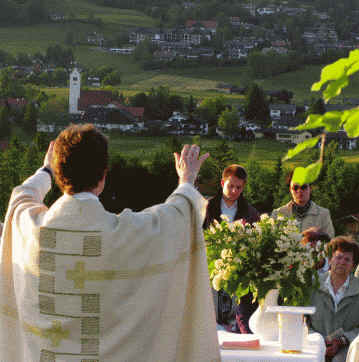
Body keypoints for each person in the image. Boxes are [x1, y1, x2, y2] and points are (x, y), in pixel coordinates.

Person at [0, 124, 221, 362]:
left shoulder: (31, 230)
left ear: (59, 170)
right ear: (104, 175)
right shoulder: (127, 234)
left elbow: (22, 197)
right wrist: (186, 180)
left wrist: (45, 172)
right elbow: (176, 216)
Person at [203, 164, 260, 333]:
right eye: (230, 186)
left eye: (238, 187)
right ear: (222, 183)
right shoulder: (205, 208)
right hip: (209, 272)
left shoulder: (251, 213)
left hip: (237, 274)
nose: (234, 190)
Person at [308, 236, 359, 362]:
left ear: (353, 265)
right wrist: (319, 342)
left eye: (347, 259)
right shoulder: (312, 285)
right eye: (338, 257)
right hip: (312, 347)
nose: (342, 262)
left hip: (348, 350)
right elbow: (302, 321)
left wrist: (342, 341)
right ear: (330, 259)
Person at [271, 170, 335, 238]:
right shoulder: (278, 214)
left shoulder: (323, 214)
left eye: (303, 187)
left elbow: (330, 242)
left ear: (310, 188)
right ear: (290, 190)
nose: (299, 191)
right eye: (295, 188)